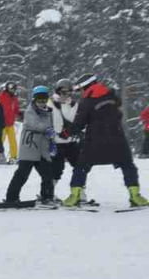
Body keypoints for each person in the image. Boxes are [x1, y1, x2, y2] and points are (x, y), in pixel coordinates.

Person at [61, 74, 149, 208]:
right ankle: (135, 195)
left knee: (81, 167)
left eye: (81, 89)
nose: (81, 92)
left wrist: (66, 132)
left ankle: (75, 196)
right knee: (128, 165)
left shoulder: (87, 102)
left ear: (86, 87)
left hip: (94, 140)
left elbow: (79, 123)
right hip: (117, 138)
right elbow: (118, 113)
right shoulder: (112, 96)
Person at [5, 86, 57, 205]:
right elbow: (35, 125)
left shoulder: (49, 112)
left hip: (42, 148)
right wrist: (48, 129)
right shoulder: (30, 111)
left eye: (44, 99)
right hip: (30, 146)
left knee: (48, 174)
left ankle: (47, 196)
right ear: (34, 99)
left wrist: (52, 141)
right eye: (39, 99)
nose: (42, 102)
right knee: (22, 174)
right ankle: (11, 197)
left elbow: (52, 127)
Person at [50, 79, 83, 185]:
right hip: (56, 142)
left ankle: (80, 193)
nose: (66, 95)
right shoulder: (51, 103)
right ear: (58, 91)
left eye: (69, 92)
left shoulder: (73, 105)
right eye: (63, 92)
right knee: (56, 169)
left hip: (71, 141)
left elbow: (78, 121)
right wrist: (57, 132)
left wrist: (75, 132)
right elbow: (49, 121)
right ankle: (49, 193)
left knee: (80, 166)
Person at [0, 83, 21, 162]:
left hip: (10, 124)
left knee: (13, 141)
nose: (13, 90)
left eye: (14, 89)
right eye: (11, 89)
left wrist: (19, 113)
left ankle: (13, 157)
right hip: (1, 124)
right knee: (0, 141)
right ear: (7, 88)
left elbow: (16, 108)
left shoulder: (14, 98)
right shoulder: (1, 96)